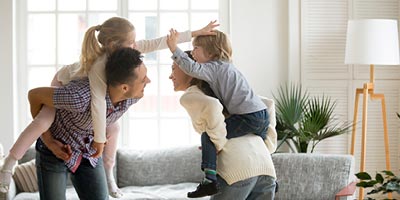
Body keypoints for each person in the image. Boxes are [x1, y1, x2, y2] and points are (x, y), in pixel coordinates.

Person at [0, 17, 218, 198]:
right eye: (143, 79)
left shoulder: (130, 85)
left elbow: (156, 43)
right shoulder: (93, 74)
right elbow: (96, 103)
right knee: (44, 121)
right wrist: (98, 140)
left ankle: (108, 173)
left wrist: (195, 32)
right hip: (61, 101)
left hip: (84, 150)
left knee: (113, 128)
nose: (148, 83)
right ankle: (9, 164)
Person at [29, 47, 149, 200]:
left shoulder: (134, 96)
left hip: (88, 151)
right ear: (124, 88)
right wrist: (50, 141)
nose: (148, 81)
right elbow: (34, 96)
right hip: (54, 149)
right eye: (143, 79)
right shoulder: (78, 98)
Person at [167, 29, 270, 197]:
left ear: (210, 52)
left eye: (196, 49)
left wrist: (217, 142)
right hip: (264, 161)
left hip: (237, 168)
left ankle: (209, 180)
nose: (170, 76)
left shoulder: (207, 75)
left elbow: (193, 70)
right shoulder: (228, 68)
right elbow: (268, 104)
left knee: (208, 136)